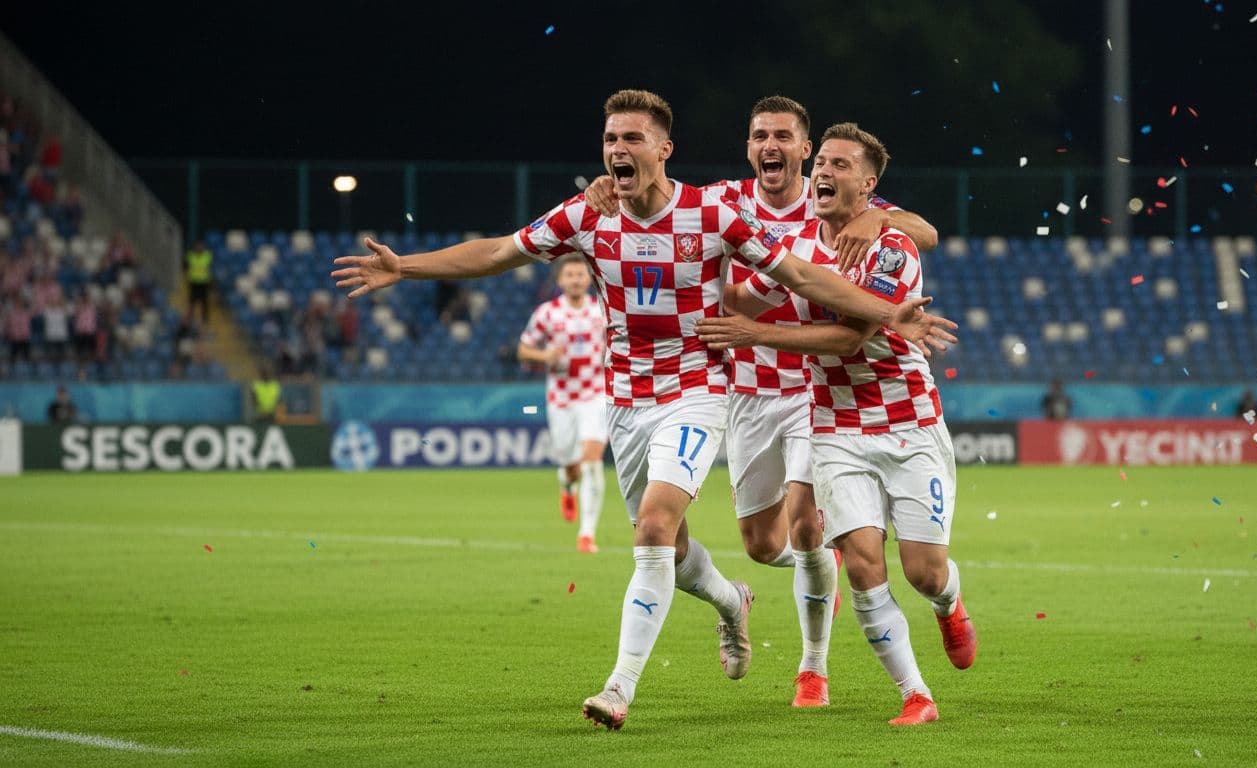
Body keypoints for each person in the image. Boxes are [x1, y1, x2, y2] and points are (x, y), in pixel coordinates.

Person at [332, 90, 952, 730]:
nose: (619, 151)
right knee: (692, 545)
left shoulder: (714, 215)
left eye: (632, 139)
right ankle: (729, 599)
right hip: (628, 400)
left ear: (665, 149)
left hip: (709, 389)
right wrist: (403, 267)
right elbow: (497, 251)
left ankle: (625, 687)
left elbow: (806, 273)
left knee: (667, 527)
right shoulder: (590, 215)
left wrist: (887, 308)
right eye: (610, 142)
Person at [585, 95, 941, 707]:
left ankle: (813, 668)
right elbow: (659, 200)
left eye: (783, 136)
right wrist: (605, 187)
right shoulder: (726, 203)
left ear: (805, 149)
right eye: (759, 136)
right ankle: (760, 590)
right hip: (748, 389)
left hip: (815, 388)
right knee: (760, 542)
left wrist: (879, 220)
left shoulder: (834, 196)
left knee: (806, 527)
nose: (769, 146)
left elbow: (926, 231)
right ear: (748, 148)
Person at [697, 123, 973, 726]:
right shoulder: (795, 246)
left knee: (923, 573)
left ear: (869, 185)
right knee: (863, 562)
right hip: (834, 427)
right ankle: (916, 695)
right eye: (821, 161)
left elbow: (853, 335)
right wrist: (703, 270)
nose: (823, 171)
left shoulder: (893, 245)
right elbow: (747, 298)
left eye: (840, 165)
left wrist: (756, 333)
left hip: (905, 421)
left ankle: (949, 603)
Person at [517, 254, 608, 552]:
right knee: (572, 467)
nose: (576, 280)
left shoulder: (602, 311)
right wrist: (545, 357)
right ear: (560, 280)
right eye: (570, 275)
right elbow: (523, 350)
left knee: (592, 459)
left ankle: (587, 534)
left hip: (596, 394)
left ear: (589, 279)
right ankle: (567, 486)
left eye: (581, 275)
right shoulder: (547, 313)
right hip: (561, 398)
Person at [184, 239, 214, 324]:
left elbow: (210, 268)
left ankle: (205, 319)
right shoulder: (190, 256)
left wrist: (211, 281)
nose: (199, 248)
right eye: (198, 246)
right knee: (192, 301)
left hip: (204, 282)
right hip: (194, 282)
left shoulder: (208, 256)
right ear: (195, 247)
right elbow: (186, 267)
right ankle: (190, 318)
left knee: (204, 302)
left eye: (201, 246)